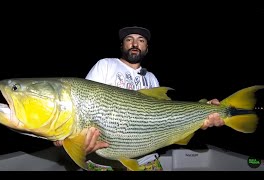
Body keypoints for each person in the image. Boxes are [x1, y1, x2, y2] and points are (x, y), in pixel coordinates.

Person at [54, 26, 225, 171]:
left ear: (147, 48)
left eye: (141, 40)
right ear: (122, 44)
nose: (135, 44)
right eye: (129, 39)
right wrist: (66, 134)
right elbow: (82, 107)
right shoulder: (105, 65)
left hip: (147, 159)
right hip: (102, 162)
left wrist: (205, 110)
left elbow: (168, 117)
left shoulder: (152, 78)